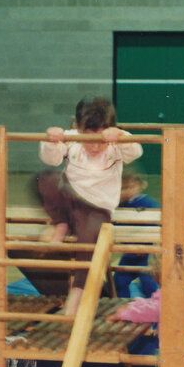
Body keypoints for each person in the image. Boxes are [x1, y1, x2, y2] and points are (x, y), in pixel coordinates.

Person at [35, 96, 143, 315]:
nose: (94, 146)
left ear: (110, 130)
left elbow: (136, 151)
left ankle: (77, 292)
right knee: (44, 178)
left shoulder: (116, 144)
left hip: (97, 211)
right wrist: (52, 140)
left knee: (89, 242)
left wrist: (121, 136)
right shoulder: (73, 138)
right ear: (78, 128)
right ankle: (60, 224)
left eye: (100, 139)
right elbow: (51, 160)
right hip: (71, 206)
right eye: (88, 138)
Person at [113, 165, 161, 298]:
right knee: (119, 280)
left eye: (130, 187)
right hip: (129, 253)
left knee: (148, 283)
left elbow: (156, 225)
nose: (127, 192)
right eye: (123, 188)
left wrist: (146, 244)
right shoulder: (120, 205)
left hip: (146, 254)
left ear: (142, 185)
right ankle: (122, 304)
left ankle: (154, 306)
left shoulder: (150, 204)